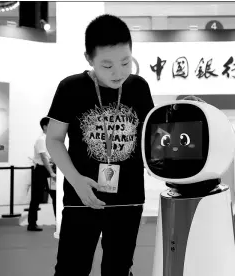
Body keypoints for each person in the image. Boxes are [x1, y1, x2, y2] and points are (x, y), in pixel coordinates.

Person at [46, 14, 154, 276]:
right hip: (82, 197)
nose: (118, 72)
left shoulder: (139, 87)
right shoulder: (71, 88)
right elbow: (54, 139)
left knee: (118, 268)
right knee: (71, 268)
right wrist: (76, 180)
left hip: (128, 199)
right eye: (107, 66)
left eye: (125, 62)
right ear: (88, 59)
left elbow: (149, 136)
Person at [28, 117, 56, 231]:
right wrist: (51, 172)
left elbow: (49, 157)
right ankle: (32, 224)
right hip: (41, 170)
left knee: (55, 196)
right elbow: (43, 157)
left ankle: (59, 222)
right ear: (45, 126)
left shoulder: (49, 139)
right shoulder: (41, 140)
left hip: (49, 169)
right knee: (36, 196)